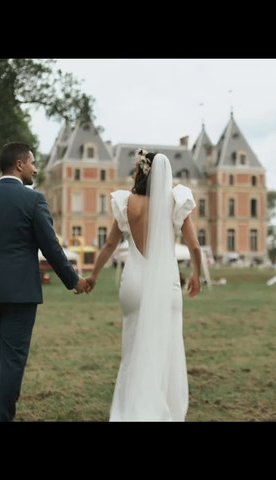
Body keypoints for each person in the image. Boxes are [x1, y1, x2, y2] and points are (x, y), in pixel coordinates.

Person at [0, 141, 88, 422]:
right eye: (32, 163)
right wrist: (73, 280)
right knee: (14, 357)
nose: (34, 169)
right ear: (19, 165)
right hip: (19, 293)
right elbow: (51, 248)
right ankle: (3, 417)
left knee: (1, 345)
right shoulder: (34, 200)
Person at [84, 149, 202, 421]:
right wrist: (195, 275)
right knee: (169, 346)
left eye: (135, 169)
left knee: (133, 348)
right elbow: (194, 246)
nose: (133, 174)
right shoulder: (176, 202)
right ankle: (165, 409)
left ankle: (130, 410)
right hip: (166, 285)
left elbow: (109, 245)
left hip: (134, 284)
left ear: (141, 173)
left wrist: (93, 276)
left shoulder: (127, 203)